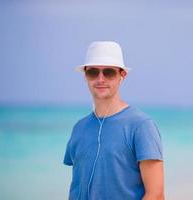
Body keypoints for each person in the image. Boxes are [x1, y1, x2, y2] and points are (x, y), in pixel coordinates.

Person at [63, 41, 164, 200]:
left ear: (122, 75)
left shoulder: (141, 126)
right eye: (93, 72)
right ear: (85, 76)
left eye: (109, 72)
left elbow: (156, 195)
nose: (100, 79)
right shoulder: (79, 128)